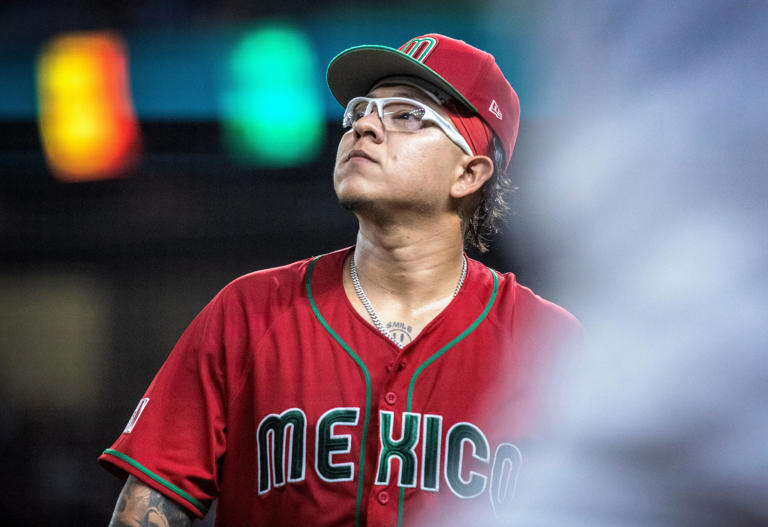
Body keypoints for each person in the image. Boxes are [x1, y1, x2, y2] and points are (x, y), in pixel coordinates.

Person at [100, 34, 582, 527]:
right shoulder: (251, 311)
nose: (365, 127)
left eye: (407, 115)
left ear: (469, 173)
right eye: (361, 110)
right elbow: (146, 507)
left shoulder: (550, 346)